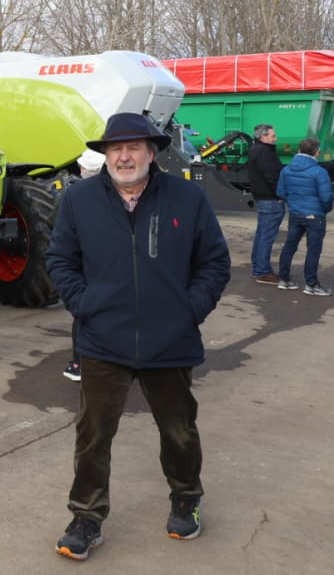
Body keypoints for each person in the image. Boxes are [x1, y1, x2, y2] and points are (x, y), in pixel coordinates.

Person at [48, 112, 231, 561]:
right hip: (102, 343)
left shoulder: (187, 198)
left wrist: (189, 312)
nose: (124, 156)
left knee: (179, 431)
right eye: (115, 148)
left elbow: (214, 263)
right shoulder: (79, 200)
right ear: (105, 154)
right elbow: (60, 262)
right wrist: (86, 307)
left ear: (152, 151)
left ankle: (186, 498)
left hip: (170, 342)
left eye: (134, 147)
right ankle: (87, 517)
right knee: (93, 435)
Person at [62, 149, 107, 383]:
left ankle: (79, 364)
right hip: (109, 268)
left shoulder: (73, 196)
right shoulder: (115, 195)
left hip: (83, 268)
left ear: (82, 169)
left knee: (82, 318)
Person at [275, 137, 334, 295]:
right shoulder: (319, 172)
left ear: (299, 150)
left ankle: (284, 279)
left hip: (295, 213)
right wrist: (324, 210)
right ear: (317, 152)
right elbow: (326, 197)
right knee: (313, 250)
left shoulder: (286, 170)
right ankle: (311, 284)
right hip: (315, 215)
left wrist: (294, 203)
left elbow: (280, 192)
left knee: (289, 246)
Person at [247, 124, 286, 285]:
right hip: (270, 199)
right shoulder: (264, 152)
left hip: (264, 198)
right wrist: (280, 195)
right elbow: (271, 176)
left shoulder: (256, 149)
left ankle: (258, 267)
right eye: (272, 136)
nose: (275, 138)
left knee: (262, 234)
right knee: (266, 236)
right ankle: (262, 271)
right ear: (263, 137)